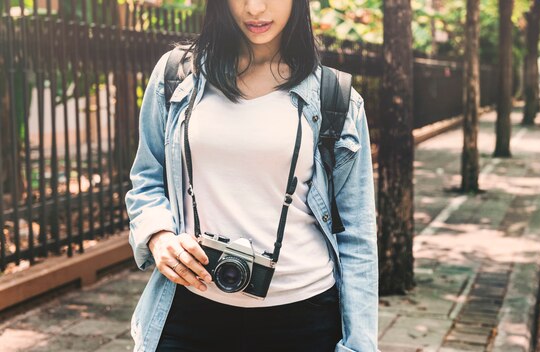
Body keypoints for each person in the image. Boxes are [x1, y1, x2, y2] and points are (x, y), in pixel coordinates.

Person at [125, 0, 378, 351]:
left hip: (303, 317)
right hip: (190, 308)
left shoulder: (336, 98)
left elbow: (357, 234)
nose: (255, 8)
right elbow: (147, 179)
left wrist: (360, 345)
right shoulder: (178, 76)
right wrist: (158, 235)